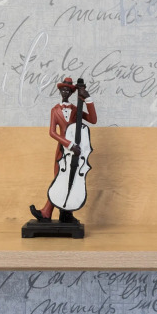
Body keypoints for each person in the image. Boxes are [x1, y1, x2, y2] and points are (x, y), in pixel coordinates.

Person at [30, 77, 96, 223]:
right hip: (63, 150)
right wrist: (69, 144)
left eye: (68, 90)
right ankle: (50, 212)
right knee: (59, 179)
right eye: (63, 90)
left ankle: (63, 214)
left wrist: (88, 99)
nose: (65, 92)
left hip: (77, 151)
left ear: (71, 93)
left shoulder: (75, 109)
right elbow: (52, 132)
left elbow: (93, 119)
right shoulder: (55, 110)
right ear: (60, 91)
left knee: (72, 179)